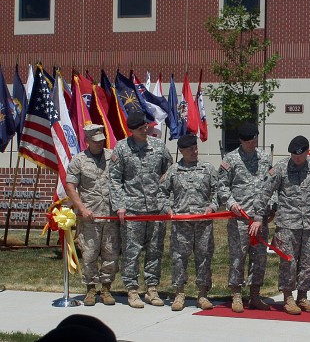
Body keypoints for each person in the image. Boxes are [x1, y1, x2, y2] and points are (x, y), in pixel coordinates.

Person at [253, 135, 310, 315]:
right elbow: (264, 192)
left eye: (300, 155)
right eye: (293, 155)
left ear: (307, 152)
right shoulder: (281, 168)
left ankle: (302, 296)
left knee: (308, 263)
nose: (296, 158)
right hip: (287, 224)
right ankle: (288, 297)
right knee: (288, 263)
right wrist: (258, 215)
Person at [109, 111, 173, 308]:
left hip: (156, 209)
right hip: (132, 210)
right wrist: (119, 204)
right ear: (131, 131)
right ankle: (132, 289)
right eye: (140, 129)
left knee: (155, 250)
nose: (145, 130)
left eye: (145, 126)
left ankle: (152, 288)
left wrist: (166, 201)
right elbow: (114, 179)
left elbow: (169, 173)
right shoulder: (121, 149)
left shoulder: (158, 147)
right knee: (132, 251)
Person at [217, 122, 273, 313]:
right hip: (240, 218)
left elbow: (271, 185)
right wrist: (231, 203)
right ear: (241, 140)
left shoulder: (265, 159)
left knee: (259, 258)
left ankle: (255, 295)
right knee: (238, 257)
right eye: (248, 140)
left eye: (255, 139)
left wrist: (271, 206)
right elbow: (222, 186)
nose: (252, 143)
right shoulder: (230, 159)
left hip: (259, 217)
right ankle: (237, 294)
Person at [159, 134, 218, 311]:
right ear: (182, 151)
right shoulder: (173, 170)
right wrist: (168, 209)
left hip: (203, 224)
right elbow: (161, 193)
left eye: (196, 148)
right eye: (190, 149)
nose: (194, 151)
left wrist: (212, 206)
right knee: (179, 259)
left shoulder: (207, 168)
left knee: (204, 258)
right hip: (181, 223)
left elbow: (218, 191)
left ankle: (202, 294)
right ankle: (179, 294)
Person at [65, 124, 119, 306]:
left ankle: (106, 289)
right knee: (89, 254)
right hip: (90, 216)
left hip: (110, 215)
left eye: (102, 140)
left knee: (110, 253)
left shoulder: (113, 157)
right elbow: (71, 186)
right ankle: (90, 289)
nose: (99, 144)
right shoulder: (78, 160)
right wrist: (81, 208)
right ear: (87, 141)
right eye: (95, 141)